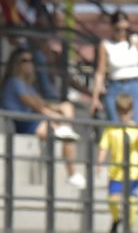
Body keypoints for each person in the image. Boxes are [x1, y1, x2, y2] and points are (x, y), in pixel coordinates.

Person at [1, 47, 85, 189]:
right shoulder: (14, 82)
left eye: (31, 60)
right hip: (23, 123)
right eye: (25, 60)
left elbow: (42, 103)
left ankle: (66, 131)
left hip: (34, 120)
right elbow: (36, 106)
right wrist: (59, 117)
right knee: (65, 134)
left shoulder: (27, 84)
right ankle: (72, 174)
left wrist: (61, 108)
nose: (29, 64)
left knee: (67, 107)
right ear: (16, 63)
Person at [96, 93, 138, 233]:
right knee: (113, 200)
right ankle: (116, 219)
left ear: (131, 112)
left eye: (126, 112)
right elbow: (104, 148)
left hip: (133, 171)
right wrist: (99, 163)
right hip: (116, 172)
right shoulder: (111, 129)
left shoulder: (137, 131)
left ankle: (129, 228)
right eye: (121, 112)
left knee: (131, 201)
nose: (123, 116)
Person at [90, 10, 138, 127]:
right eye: (118, 29)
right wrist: (95, 97)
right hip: (115, 87)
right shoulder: (105, 45)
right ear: (112, 27)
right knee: (115, 127)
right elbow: (100, 72)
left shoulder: (136, 41)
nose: (122, 33)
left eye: (125, 29)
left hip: (134, 85)